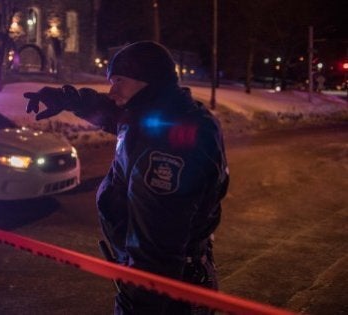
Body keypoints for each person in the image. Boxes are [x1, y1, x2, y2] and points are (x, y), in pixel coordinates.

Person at [24, 41, 229, 314]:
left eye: (119, 80)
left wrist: (138, 304)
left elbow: (157, 246)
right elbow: (111, 111)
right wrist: (68, 99)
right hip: (172, 284)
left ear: (149, 82)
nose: (112, 90)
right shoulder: (161, 113)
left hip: (165, 296)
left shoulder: (166, 144)